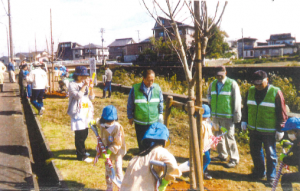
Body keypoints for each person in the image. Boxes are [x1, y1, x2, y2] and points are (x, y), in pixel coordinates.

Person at [241, 70, 287, 186]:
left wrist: (280, 128)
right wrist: (244, 120)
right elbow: (246, 108)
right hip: (254, 129)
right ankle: (259, 172)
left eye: (260, 83)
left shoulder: (276, 92)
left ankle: (271, 177)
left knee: (271, 154)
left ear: (267, 80)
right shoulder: (251, 91)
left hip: (269, 131)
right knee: (255, 152)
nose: (257, 86)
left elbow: (282, 112)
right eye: (255, 83)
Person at [120, 122, 181, 191]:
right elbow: (173, 166)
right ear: (165, 141)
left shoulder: (136, 158)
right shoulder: (160, 151)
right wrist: (165, 182)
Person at [207, 66, 241, 168]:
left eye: (221, 75)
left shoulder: (232, 84)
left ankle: (234, 159)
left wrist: (237, 115)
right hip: (216, 116)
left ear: (225, 73)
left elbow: (237, 100)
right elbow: (208, 95)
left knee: (229, 137)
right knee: (217, 136)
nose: (219, 77)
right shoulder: (212, 84)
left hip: (227, 116)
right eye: (217, 75)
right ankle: (222, 155)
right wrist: (211, 102)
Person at [90, 105, 126, 191]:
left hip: (117, 151)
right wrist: (92, 122)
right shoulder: (102, 124)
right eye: (108, 120)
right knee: (108, 170)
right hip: (105, 150)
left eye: (111, 121)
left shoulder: (117, 128)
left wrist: (109, 151)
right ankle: (109, 187)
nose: (109, 123)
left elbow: (118, 143)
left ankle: (121, 187)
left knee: (118, 169)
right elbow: (97, 121)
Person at [127, 69, 164, 152]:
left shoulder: (157, 88)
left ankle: (151, 159)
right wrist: (130, 116)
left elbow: (161, 101)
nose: (151, 82)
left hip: (153, 121)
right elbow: (130, 104)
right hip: (140, 122)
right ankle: (143, 157)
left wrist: (161, 114)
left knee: (152, 143)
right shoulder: (135, 89)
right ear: (143, 78)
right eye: (149, 80)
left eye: (153, 80)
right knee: (142, 143)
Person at [67, 66, 94, 163]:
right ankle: (81, 155)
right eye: (81, 75)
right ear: (77, 75)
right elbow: (78, 96)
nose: (83, 77)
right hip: (77, 112)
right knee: (80, 134)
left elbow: (92, 97)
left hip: (86, 111)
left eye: (85, 75)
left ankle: (83, 151)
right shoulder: (72, 84)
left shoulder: (84, 84)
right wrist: (84, 86)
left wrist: (91, 88)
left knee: (85, 132)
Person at [280, 117, 300, 191]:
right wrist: (290, 144)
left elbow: (296, 160)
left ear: (297, 131)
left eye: (290, 132)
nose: (289, 135)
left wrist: (285, 159)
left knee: (285, 178)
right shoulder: (298, 139)